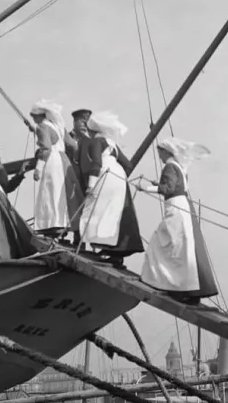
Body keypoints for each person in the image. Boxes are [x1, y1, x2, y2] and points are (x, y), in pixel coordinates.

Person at [139, 137, 218, 304]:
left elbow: (168, 188)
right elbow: (178, 185)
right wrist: (158, 183)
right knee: (181, 247)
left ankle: (170, 284)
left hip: (175, 206)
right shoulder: (180, 167)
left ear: (166, 151)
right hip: (182, 205)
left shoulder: (169, 166)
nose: (158, 155)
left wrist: (145, 188)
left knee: (164, 243)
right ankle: (184, 287)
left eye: (159, 151)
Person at [78, 111, 143, 265]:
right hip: (118, 175)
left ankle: (103, 245)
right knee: (113, 212)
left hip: (104, 173)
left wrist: (91, 186)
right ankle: (112, 249)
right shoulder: (113, 144)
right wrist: (120, 177)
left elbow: (96, 164)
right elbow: (128, 165)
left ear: (94, 131)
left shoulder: (96, 142)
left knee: (97, 208)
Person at [30, 99, 83, 238]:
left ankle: (52, 225)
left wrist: (38, 168)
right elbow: (72, 145)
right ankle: (63, 223)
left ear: (40, 115)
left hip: (52, 161)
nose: (33, 118)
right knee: (62, 193)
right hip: (63, 160)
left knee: (50, 192)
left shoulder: (42, 127)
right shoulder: (59, 127)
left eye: (33, 115)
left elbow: (46, 147)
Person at [66, 108, 92, 186]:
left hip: (84, 184)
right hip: (67, 180)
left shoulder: (90, 141)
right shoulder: (65, 138)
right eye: (83, 122)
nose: (86, 126)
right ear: (74, 122)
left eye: (87, 123)